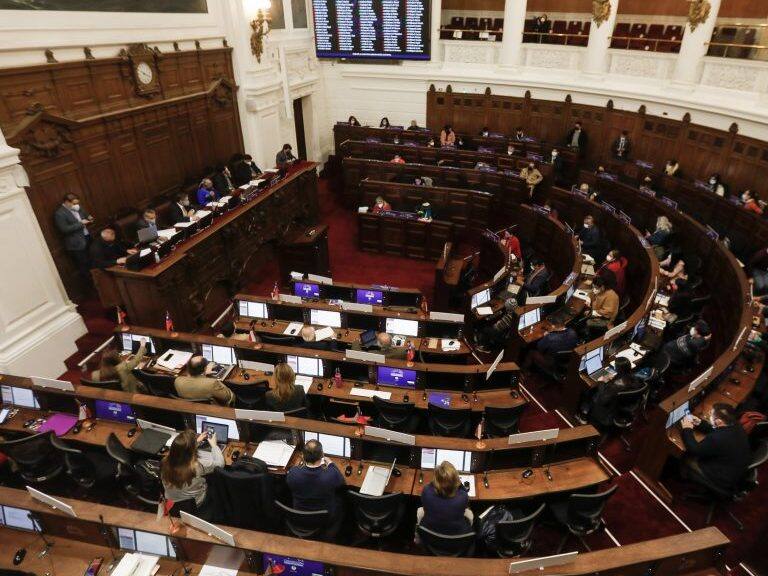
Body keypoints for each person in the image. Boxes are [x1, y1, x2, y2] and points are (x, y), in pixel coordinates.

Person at [680, 403, 751, 493]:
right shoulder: (736, 426)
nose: (710, 415)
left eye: (711, 414)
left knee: (686, 457)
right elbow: (718, 430)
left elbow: (694, 450)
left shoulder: (716, 439)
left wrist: (687, 429)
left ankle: (683, 478)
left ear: (718, 421)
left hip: (721, 478)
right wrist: (700, 423)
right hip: (734, 471)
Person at [161, 429, 224, 521]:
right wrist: (214, 445)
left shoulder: (165, 462)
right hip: (196, 505)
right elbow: (220, 464)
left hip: (173, 505)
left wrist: (195, 443)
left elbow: (182, 451)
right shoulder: (196, 466)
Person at [286, 439, 345, 523]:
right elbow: (341, 482)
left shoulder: (293, 473)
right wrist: (331, 464)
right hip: (325, 518)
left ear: (303, 456)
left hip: (300, 515)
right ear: (322, 455)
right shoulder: (331, 475)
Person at [578, 357, 640, 428]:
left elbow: (601, 400)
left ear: (618, 369)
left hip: (607, 411)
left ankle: (584, 416)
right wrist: (612, 378)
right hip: (623, 405)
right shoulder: (633, 378)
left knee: (590, 393)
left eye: (615, 366)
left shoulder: (617, 385)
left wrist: (602, 382)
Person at [417, 461, 472, 535]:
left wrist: (437, 480)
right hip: (456, 536)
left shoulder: (426, 491)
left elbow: (431, 485)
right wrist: (459, 483)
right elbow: (464, 491)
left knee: (419, 511)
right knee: (470, 514)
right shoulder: (463, 496)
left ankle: (418, 540)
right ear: (456, 480)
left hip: (430, 537)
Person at [54, 193, 94, 283]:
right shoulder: (59, 214)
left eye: (77, 203)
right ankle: (91, 285)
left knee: (93, 260)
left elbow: (86, 215)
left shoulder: (78, 208)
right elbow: (64, 229)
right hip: (76, 244)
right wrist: (81, 224)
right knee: (84, 266)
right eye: (74, 203)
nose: (76, 205)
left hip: (87, 237)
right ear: (67, 202)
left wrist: (89, 218)